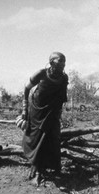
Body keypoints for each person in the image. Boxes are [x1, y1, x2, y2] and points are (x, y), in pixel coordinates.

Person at [20, 52, 68, 186]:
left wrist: (58, 115)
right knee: (37, 139)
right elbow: (26, 88)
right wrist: (24, 109)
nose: (63, 64)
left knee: (52, 137)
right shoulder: (41, 73)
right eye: (60, 61)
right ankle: (37, 171)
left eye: (64, 61)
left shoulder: (64, 78)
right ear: (52, 62)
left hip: (52, 112)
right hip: (36, 111)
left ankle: (54, 167)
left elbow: (61, 98)